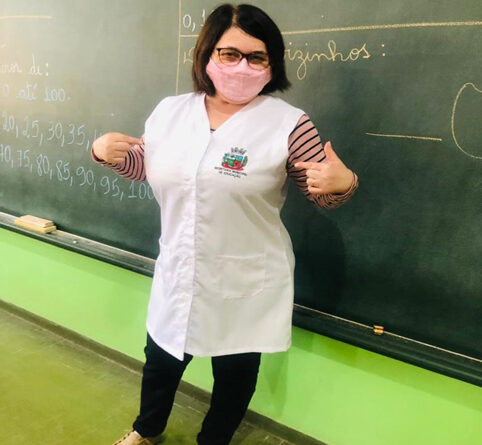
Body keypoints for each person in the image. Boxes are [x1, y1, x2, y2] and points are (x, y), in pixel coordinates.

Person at [91, 4, 358, 445]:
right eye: (230, 54)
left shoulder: (289, 124)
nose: (242, 67)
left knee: (234, 375)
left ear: (272, 64)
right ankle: (145, 430)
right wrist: (105, 153)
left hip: (246, 277)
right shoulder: (170, 112)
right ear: (207, 54)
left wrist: (343, 183)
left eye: (257, 57)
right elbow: (145, 166)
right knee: (160, 360)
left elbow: (322, 191)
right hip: (179, 268)